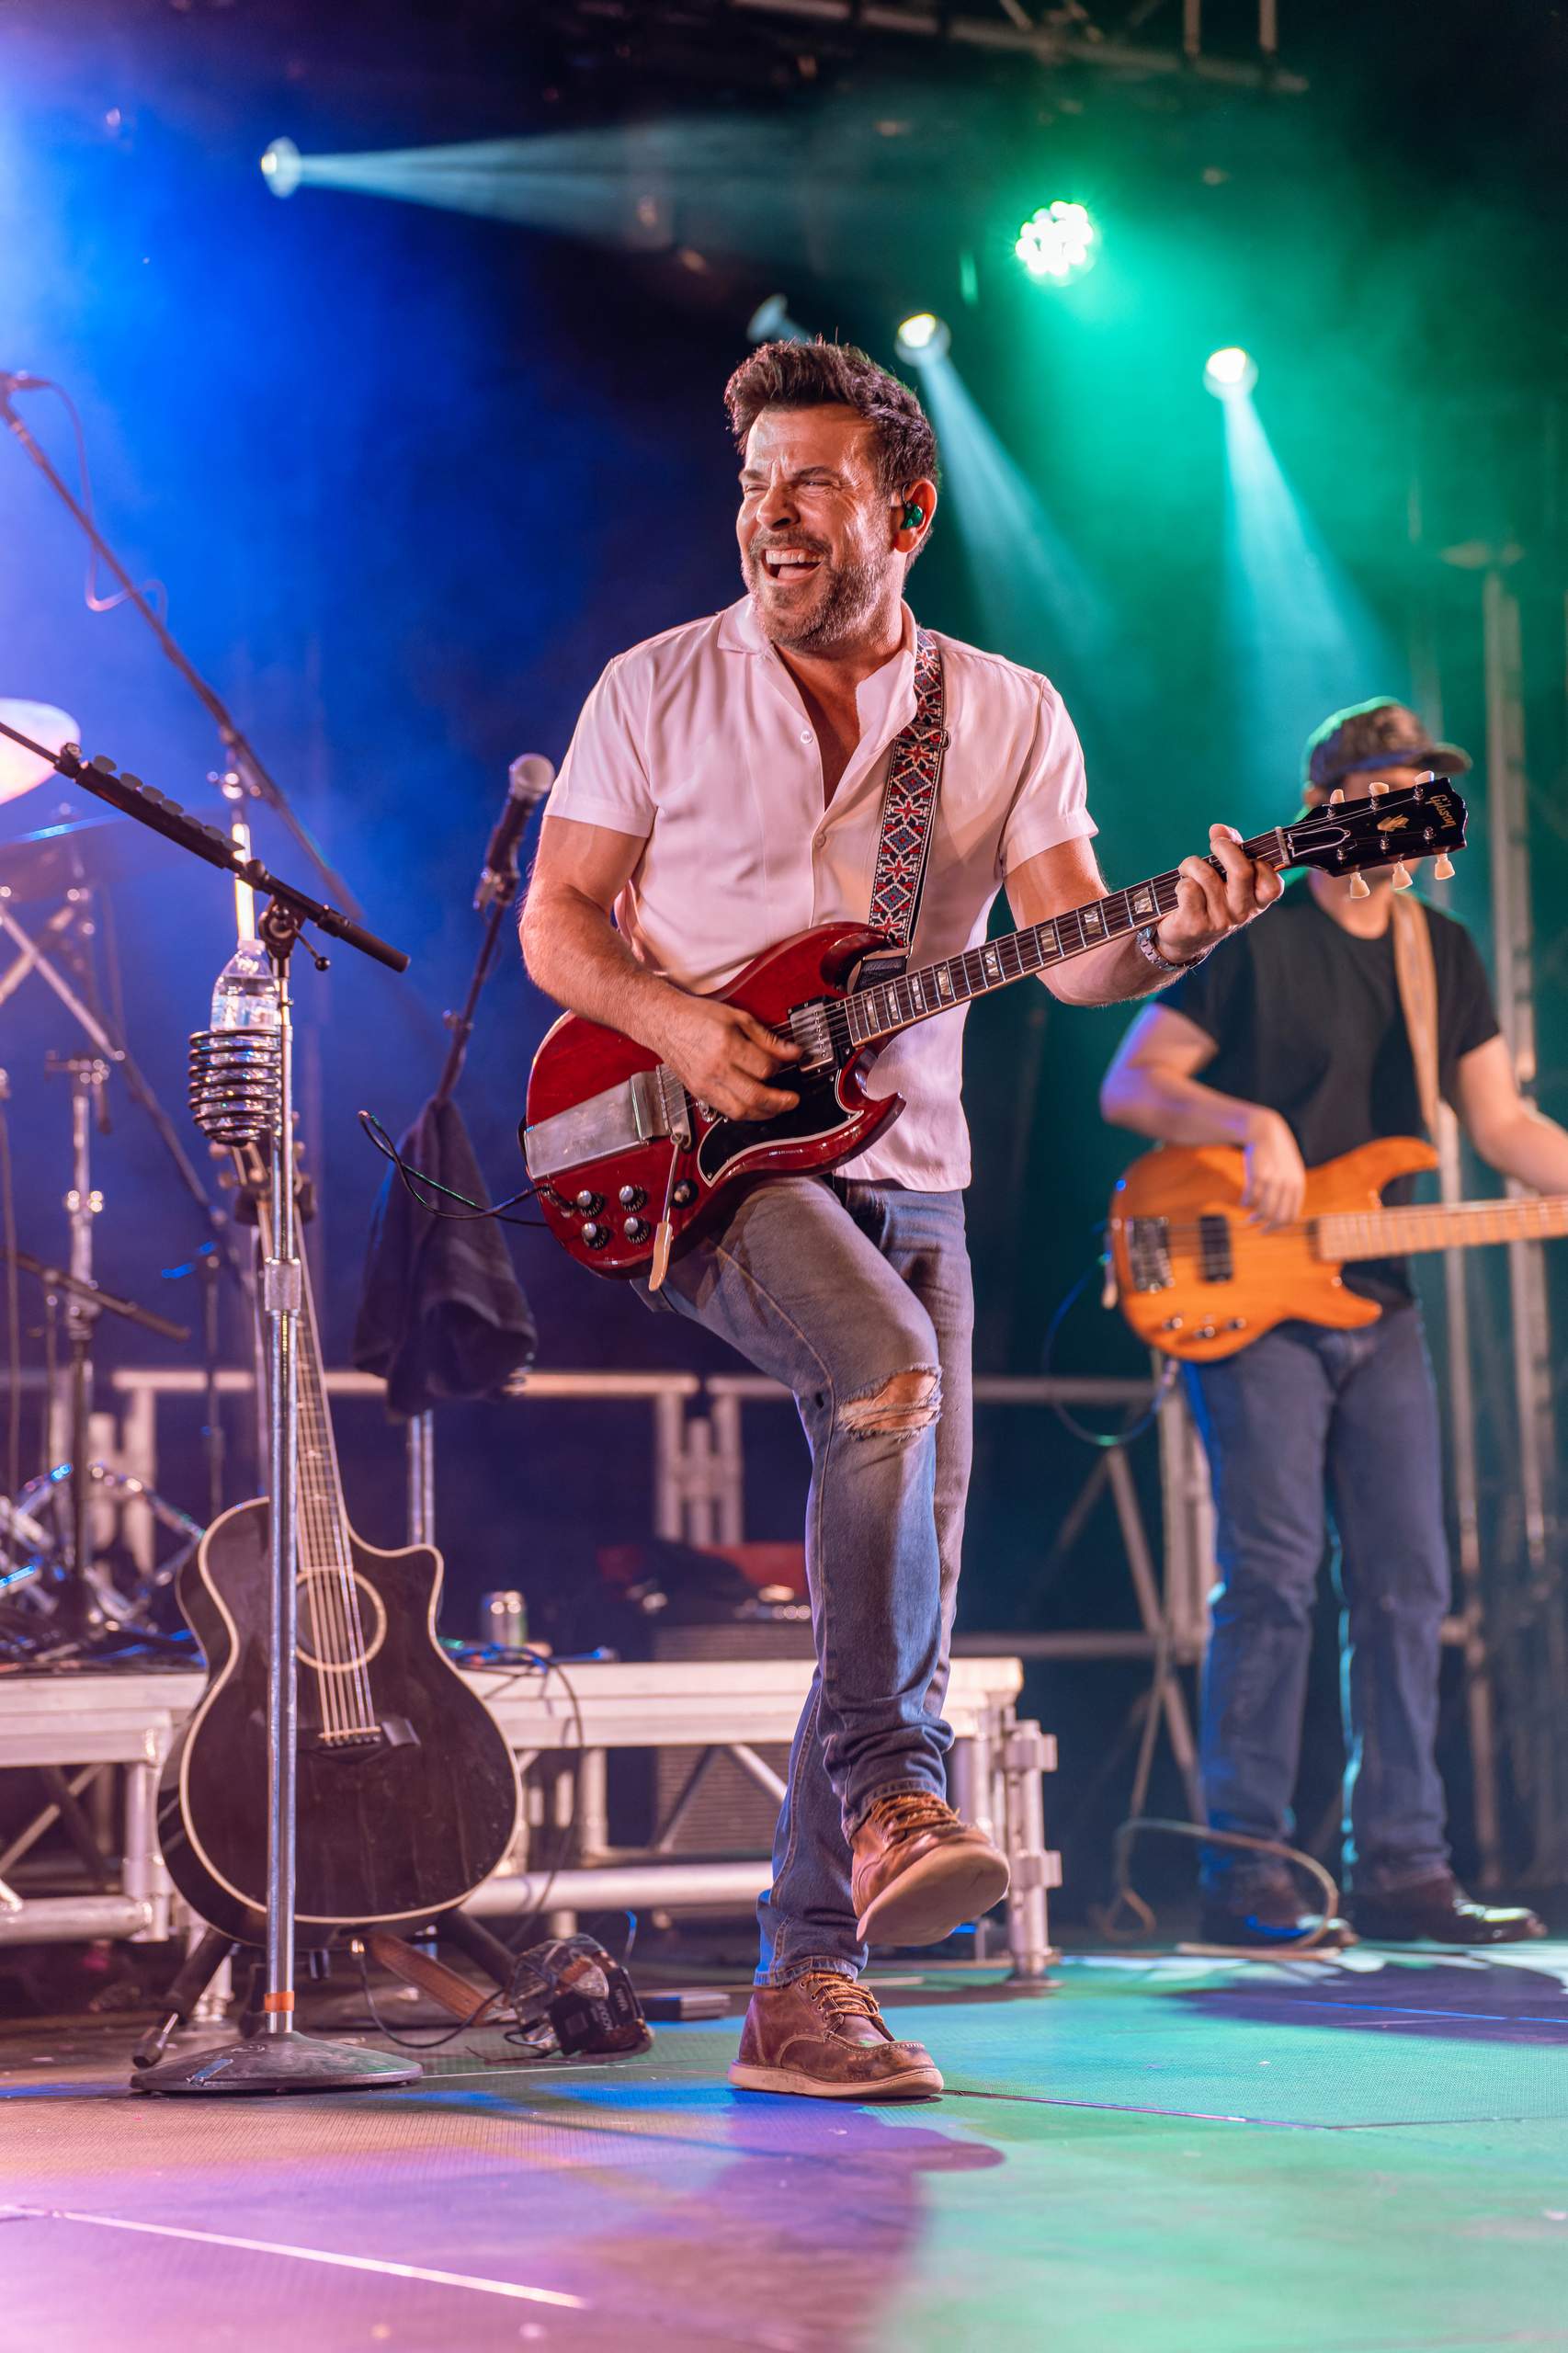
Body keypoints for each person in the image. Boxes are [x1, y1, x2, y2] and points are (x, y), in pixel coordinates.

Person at [522, 338, 1278, 2097]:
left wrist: (1185, 932)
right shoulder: (654, 685)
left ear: (906, 512)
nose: (767, 518)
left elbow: (1075, 943)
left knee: (898, 1586)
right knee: (880, 1378)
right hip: (696, 1155)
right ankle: (891, 1791)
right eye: (750, 485)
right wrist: (683, 1024)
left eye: (808, 485)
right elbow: (564, 924)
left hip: (907, 1160)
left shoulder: (1001, 712)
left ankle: (802, 1988)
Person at [1100, 697, 1562, 1949]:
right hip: (1249, 1291)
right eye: (1383, 787)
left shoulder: (1439, 953)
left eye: (1421, 789)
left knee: (1408, 1580)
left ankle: (1401, 1868)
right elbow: (1129, 1080)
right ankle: (1243, 1873)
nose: (1405, 808)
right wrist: (1249, 1127)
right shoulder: (1254, 934)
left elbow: (1502, 1128)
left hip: (1378, 1298)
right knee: (1273, 1577)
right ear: (1327, 808)